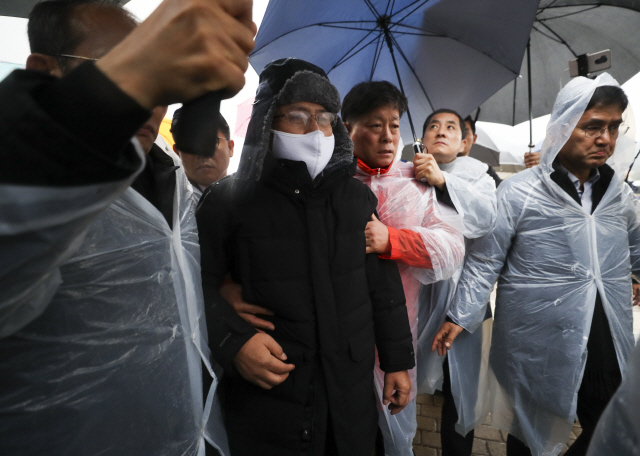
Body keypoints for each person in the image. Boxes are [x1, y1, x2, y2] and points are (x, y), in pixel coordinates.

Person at [0, 0, 255, 454]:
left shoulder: (172, 174)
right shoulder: (36, 184)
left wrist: (217, 295)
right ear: (45, 69)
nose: (148, 99)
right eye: (118, 69)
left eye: (162, 79)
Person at [196, 58, 415, 456]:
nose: (315, 131)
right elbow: (194, 289)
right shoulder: (227, 203)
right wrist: (233, 341)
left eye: (325, 117)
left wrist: (397, 360)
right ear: (267, 121)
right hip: (272, 404)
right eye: (297, 116)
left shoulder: (356, 199)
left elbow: (381, 286)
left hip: (348, 394)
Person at [432, 73, 640, 456]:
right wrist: (460, 315)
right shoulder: (519, 192)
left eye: (613, 128)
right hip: (537, 336)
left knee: (616, 424)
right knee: (529, 431)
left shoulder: (618, 195)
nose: (605, 139)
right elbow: (485, 261)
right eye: (592, 127)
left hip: (604, 331)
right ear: (563, 127)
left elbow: (635, 242)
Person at [341, 82, 467, 456]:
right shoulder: (331, 183)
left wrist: (393, 240)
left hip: (397, 336)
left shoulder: (417, 184)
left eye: (394, 125)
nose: (387, 137)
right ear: (347, 127)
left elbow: (451, 248)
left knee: (395, 434)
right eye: (374, 125)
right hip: (341, 335)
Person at [412, 109, 497, 456]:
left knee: (463, 391)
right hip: (417, 296)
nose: (441, 131)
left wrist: (444, 183)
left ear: (465, 142)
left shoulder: (480, 177)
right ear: (423, 138)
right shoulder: (406, 174)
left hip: (469, 303)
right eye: (433, 126)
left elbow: (485, 222)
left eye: (451, 128)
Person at [172, 109, 235, 199]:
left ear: (230, 147)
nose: (201, 153)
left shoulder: (250, 197)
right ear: (177, 153)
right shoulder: (167, 201)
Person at [457, 116, 502, 187]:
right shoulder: (436, 168)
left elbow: (504, 191)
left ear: (474, 139)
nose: (460, 137)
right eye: (455, 131)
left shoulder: (485, 171)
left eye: (465, 132)